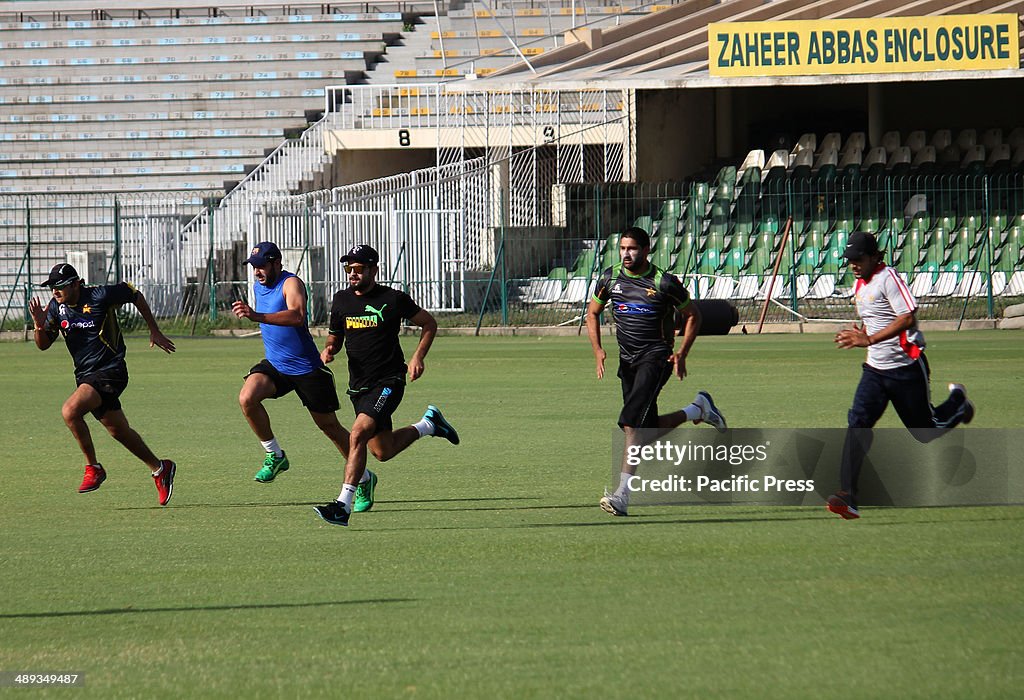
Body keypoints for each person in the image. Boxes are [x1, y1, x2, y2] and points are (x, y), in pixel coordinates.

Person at [829, 231, 975, 520]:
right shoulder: (861, 283)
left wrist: (869, 340)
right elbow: (874, 319)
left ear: (873, 256)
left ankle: (958, 404)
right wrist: (864, 334)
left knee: (925, 431)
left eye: (858, 259)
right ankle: (849, 496)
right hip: (874, 370)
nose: (853, 265)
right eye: (850, 261)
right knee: (857, 423)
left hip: (906, 368)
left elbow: (907, 317)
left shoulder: (889, 278)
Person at [313, 244, 460, 527]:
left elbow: (429, 323)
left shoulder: (393, 299)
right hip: (359, 386)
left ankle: (342, 506)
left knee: (357, 435)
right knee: (382, 451)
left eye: (358, 269)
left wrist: (418, 357)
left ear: (373, 270)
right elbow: (335, 337)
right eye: (349, 269)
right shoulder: (341, 300)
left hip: (389, 381)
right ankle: (429, 425)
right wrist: (329, 349)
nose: (352, 274)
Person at [586, 226, 727, 517]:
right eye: (623, 248)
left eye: (633, 248)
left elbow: (693, 315)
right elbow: (592, 313)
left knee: (632, 425)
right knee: (643, 430)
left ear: (646, 250)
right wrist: (598, 350)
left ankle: (622, 494)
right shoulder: (610, 278)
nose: (626, 254)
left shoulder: (664, 282)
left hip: (657, 358)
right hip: (627, 362)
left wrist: (682, 353)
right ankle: (696, 410)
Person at [28, 263, 177, 505]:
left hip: (111, 370)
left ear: (76, 284)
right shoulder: (56, 307)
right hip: (85, 376)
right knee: (118, 431)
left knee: (70, 411)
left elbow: (133, 293)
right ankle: (160, 469)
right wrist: (38, 324)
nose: (55, 292)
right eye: (52, 288)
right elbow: (43, 344)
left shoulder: (99, 295)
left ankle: (93, 468)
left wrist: (154, 330)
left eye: (61, 286)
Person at [231, 241, 353, 487]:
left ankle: (361, 478)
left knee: (329, 426)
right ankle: (274, 455)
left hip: (306, 367)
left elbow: (297, 315)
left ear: (277, 263)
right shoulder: (258, 285)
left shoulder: (291, 283)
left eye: (262, 266)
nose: (257, 271)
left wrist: (256, 315)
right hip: (276, 365)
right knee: (247, 398)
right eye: (254, 267)